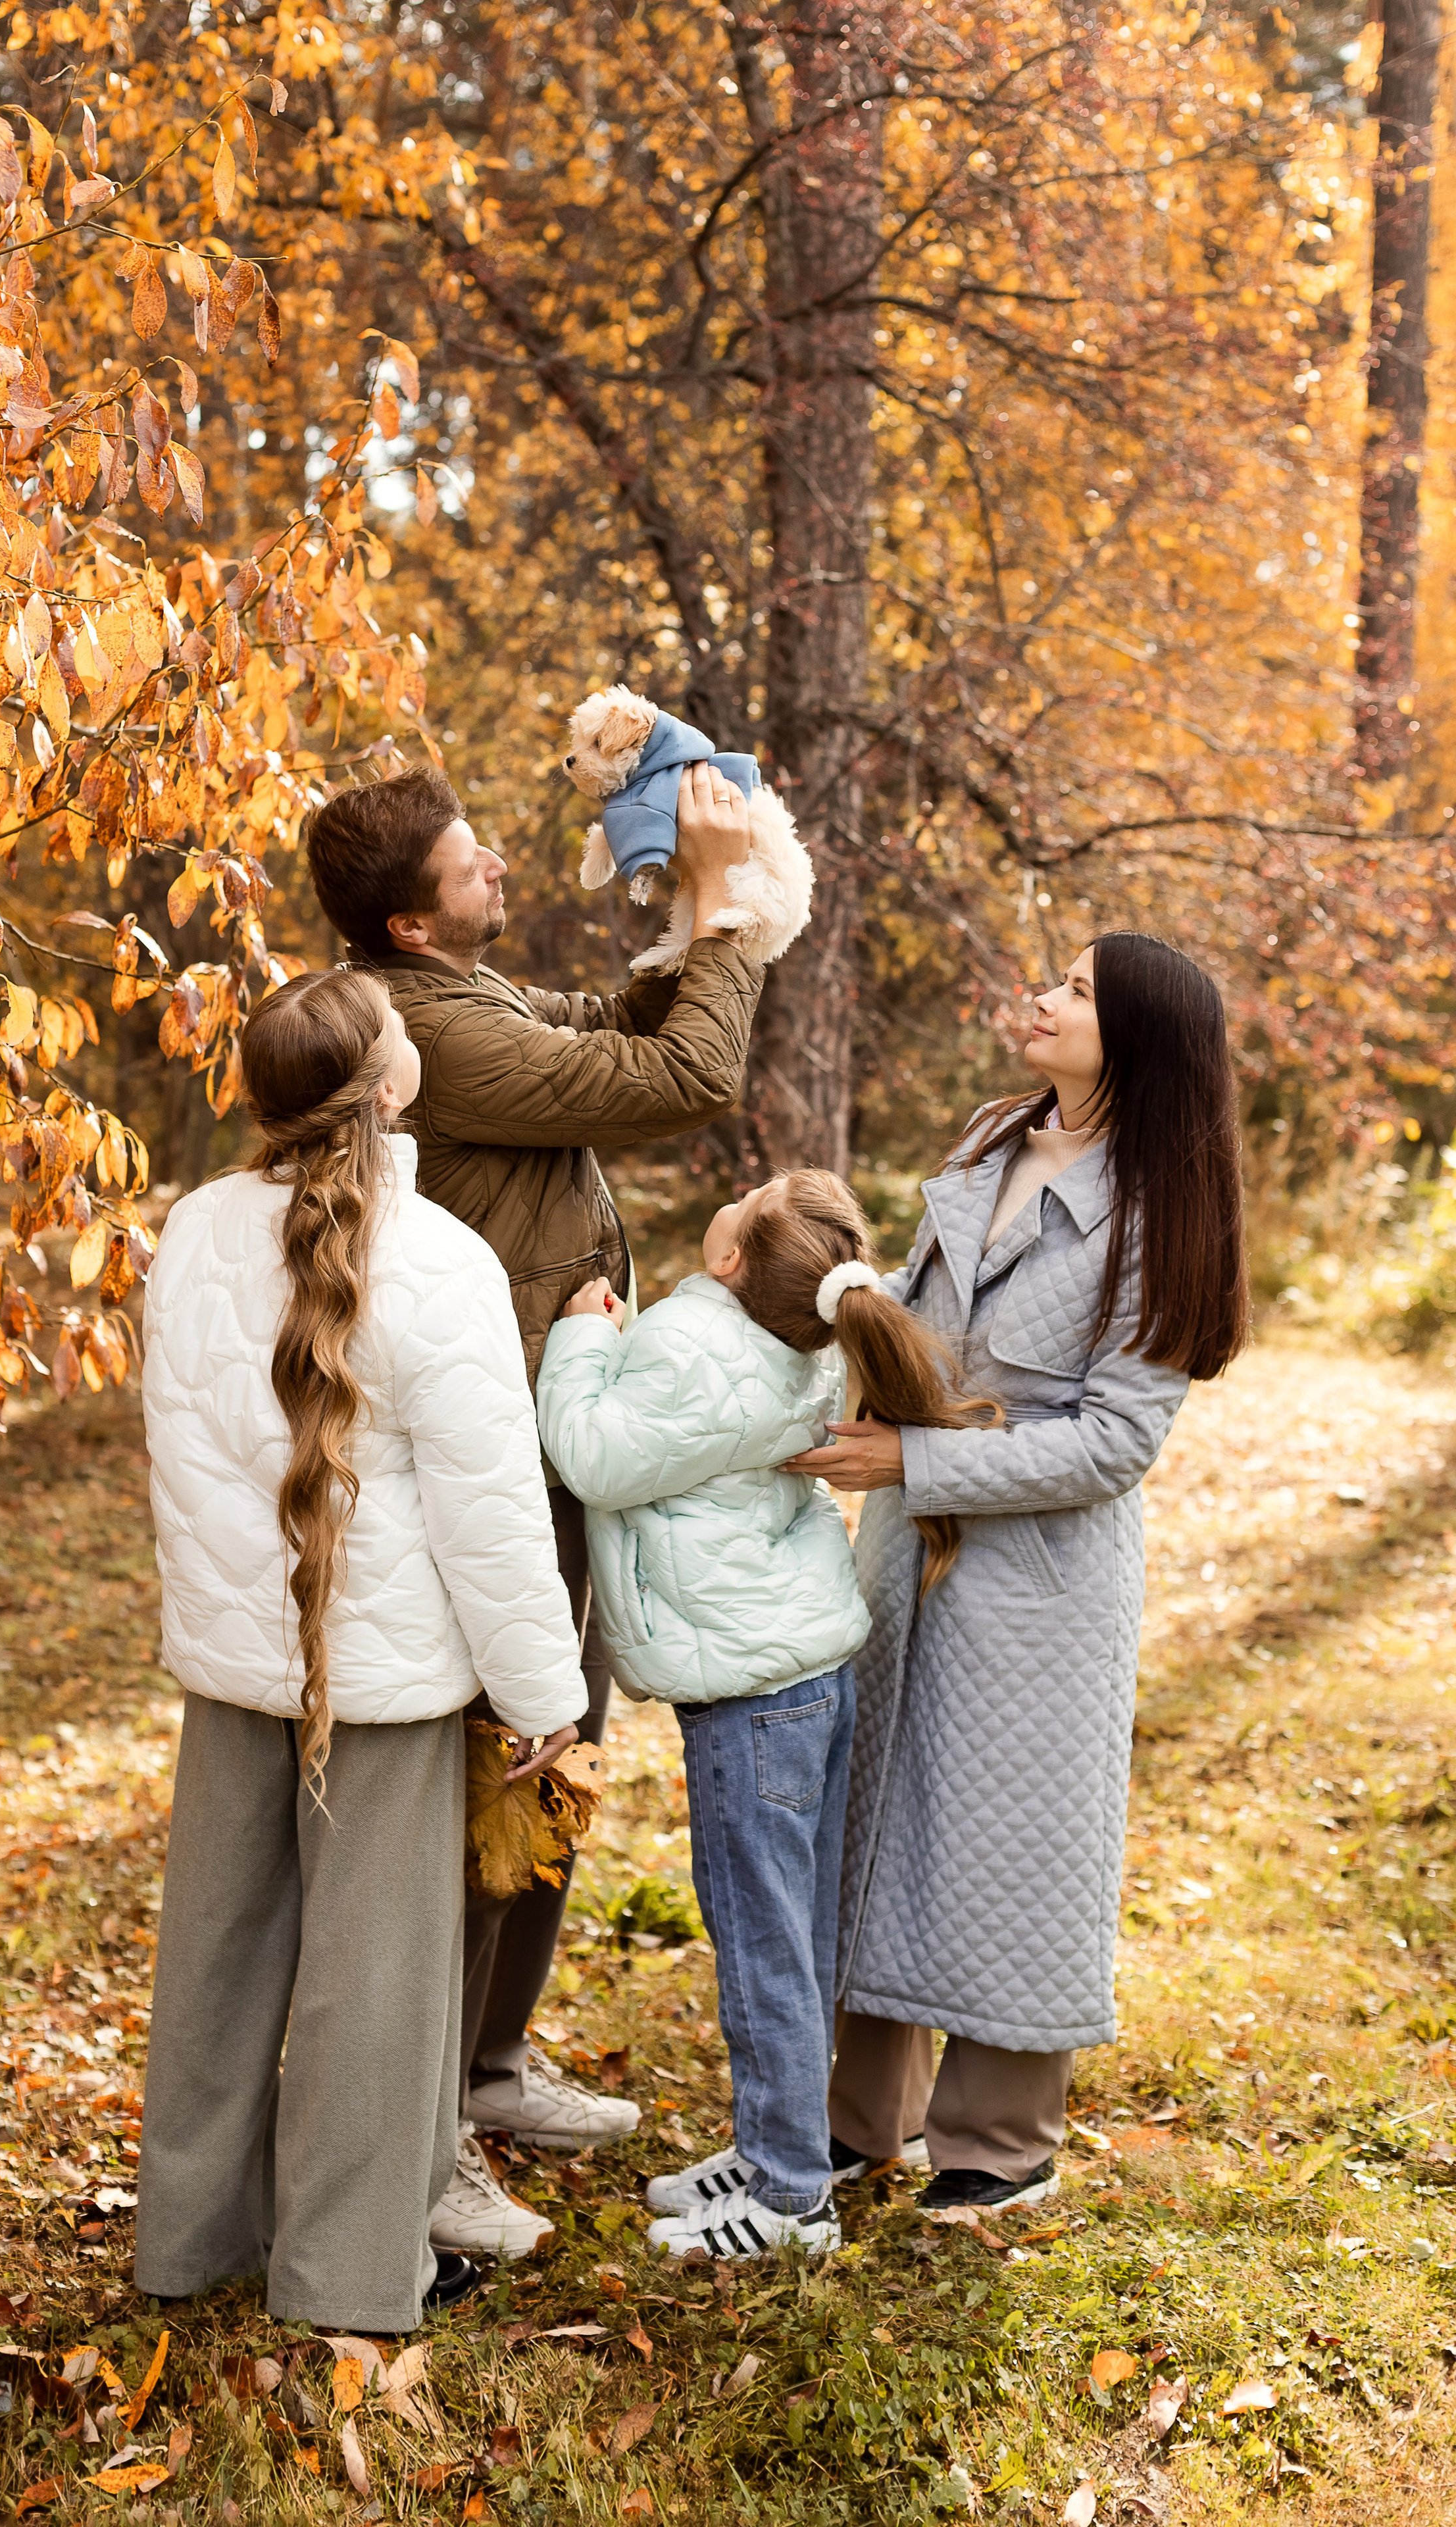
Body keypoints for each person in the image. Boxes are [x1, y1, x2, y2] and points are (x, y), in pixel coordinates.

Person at [303, 761, 765, 2253]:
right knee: (508, 1760)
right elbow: (680, 1079)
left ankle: (491, 2067)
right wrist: (732, 923)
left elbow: (606, 1030)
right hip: (492, 1447)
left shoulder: (466, 995)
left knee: (555, 1747)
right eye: (467, 860)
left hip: (549, 1431)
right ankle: (426, 2113)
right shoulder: (422, 1028)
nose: (497, 861)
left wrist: (686, 913)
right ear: (409, 922)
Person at [133, 970, 588, 2331]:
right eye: (400, 1038)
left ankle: (190, 2238)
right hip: (384, 1687)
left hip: (235, 1664)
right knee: (374, 1980)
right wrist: (545, 1693)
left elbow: (182, 1459)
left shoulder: (192, 1230)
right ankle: (342, 2274)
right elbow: (491, 1511)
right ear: (388, 1086)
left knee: (214, 1955)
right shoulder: (439, 1258)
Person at [785, 934, 1249, 2211]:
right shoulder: (993, 1137)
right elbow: (915, 1298)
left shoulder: (1161, 1208)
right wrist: (810, 1304)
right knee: (876, 1802)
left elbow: (1116, 1442)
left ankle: (998, 2140)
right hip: (905, 1549)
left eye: (1076, 992)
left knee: (1009, 1835)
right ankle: (855, 2111)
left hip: (1039, 1569)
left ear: (1139, 1036)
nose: (1041, 1000)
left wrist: (916, 1465)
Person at [536, 1169, 994, 2257]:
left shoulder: (696, 1346)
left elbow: (594, 1454)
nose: (734, 1191)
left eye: (745, 1202)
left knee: (763, 1944)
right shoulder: (801, 1342)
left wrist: (583, 1342)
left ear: (732, 1262)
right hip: (803, 1671)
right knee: (796, 1929)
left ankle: (791, 2196)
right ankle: (777, 2140)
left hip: (751, 1695)